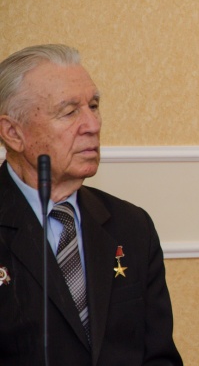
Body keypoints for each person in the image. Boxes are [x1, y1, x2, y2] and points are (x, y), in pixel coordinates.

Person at [0, 44, 182, 366]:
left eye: (94, 106)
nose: (92, 125)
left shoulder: (132, 225)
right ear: (13, 133)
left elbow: (160, 358)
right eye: (70, 112)